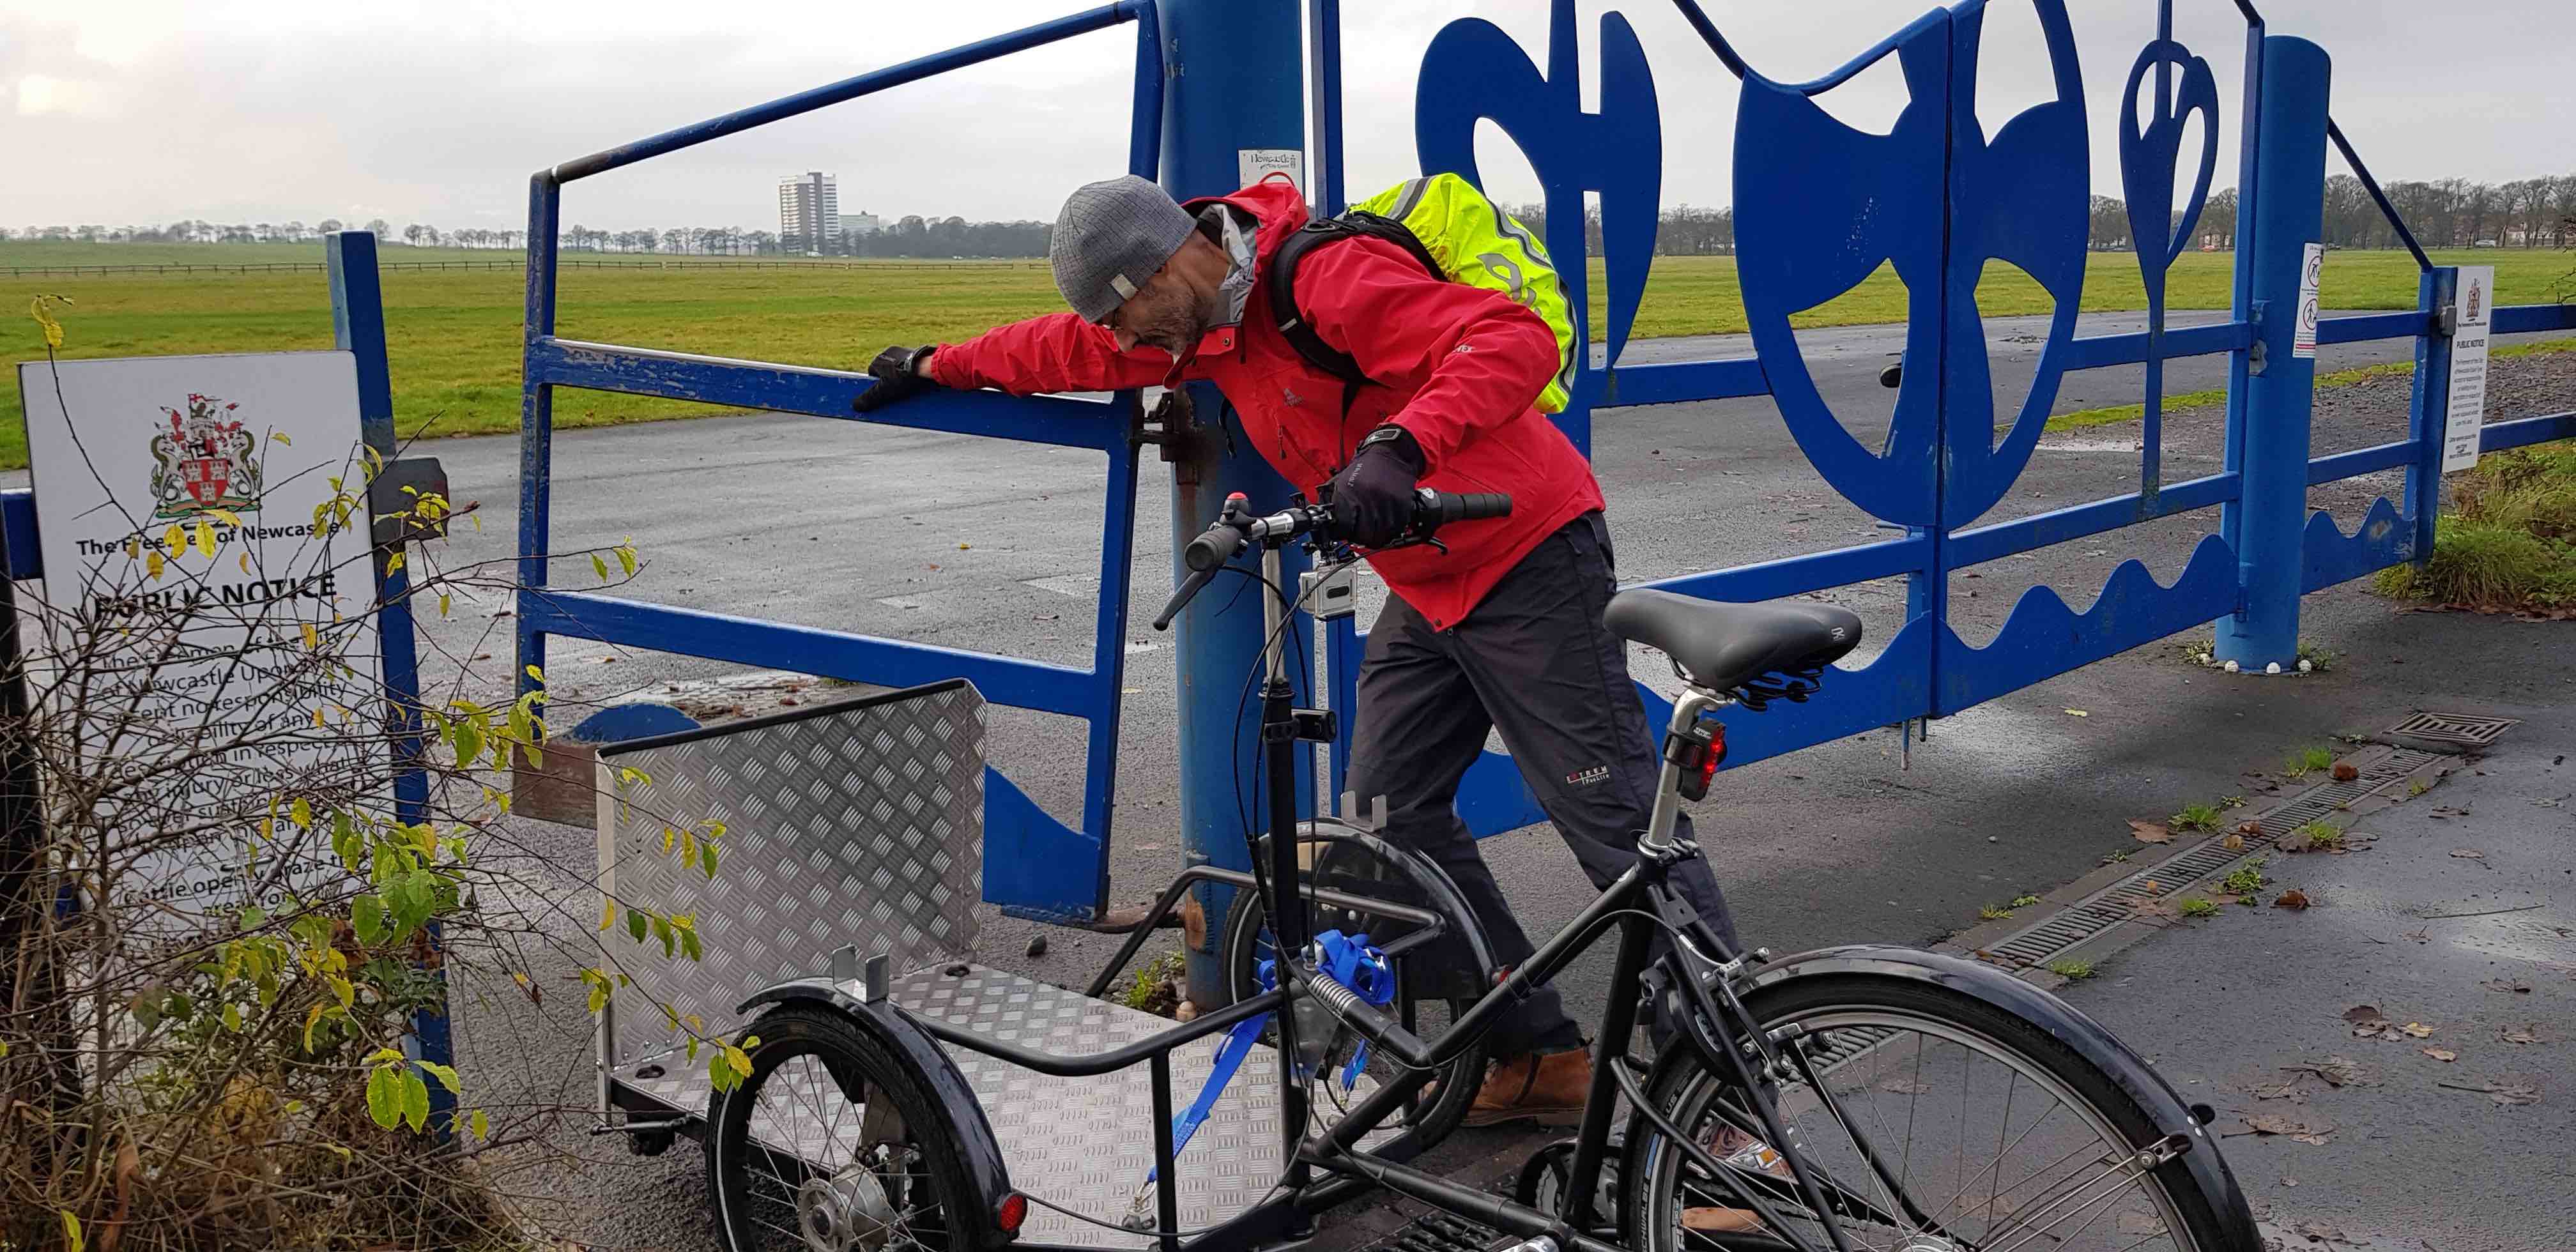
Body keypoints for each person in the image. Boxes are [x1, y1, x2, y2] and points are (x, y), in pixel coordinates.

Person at [854, 172, 1740, 1127]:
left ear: (1170, 264)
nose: (1132, 350)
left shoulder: (1320, 279)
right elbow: (1067, 347)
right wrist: (940, 363)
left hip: (1528, 554)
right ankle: (1538, 1054)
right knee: (1390, 816)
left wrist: (1402, 443)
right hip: (1431, 582)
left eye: (1134, 320)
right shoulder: (1201, 328)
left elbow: (1509, 339)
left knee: (1617, 832)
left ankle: (1737, 1110)